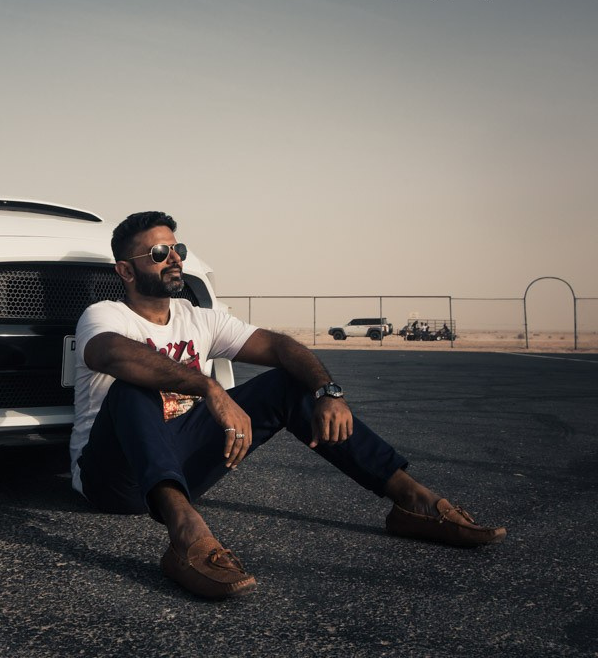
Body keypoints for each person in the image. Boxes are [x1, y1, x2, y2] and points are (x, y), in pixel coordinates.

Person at [70, 211, 505, 599]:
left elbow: (278, 346)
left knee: (286, 383)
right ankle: (186, 535)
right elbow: (110, 354)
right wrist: (211, 389)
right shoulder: (105, 315)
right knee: (132, 388)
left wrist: (327, 391)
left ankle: (411, 500)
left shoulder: (197, 317)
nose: (176, 259)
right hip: (114, 476)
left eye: (178, 248)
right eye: (160, 252)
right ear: (126, 270)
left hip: (179, 462)